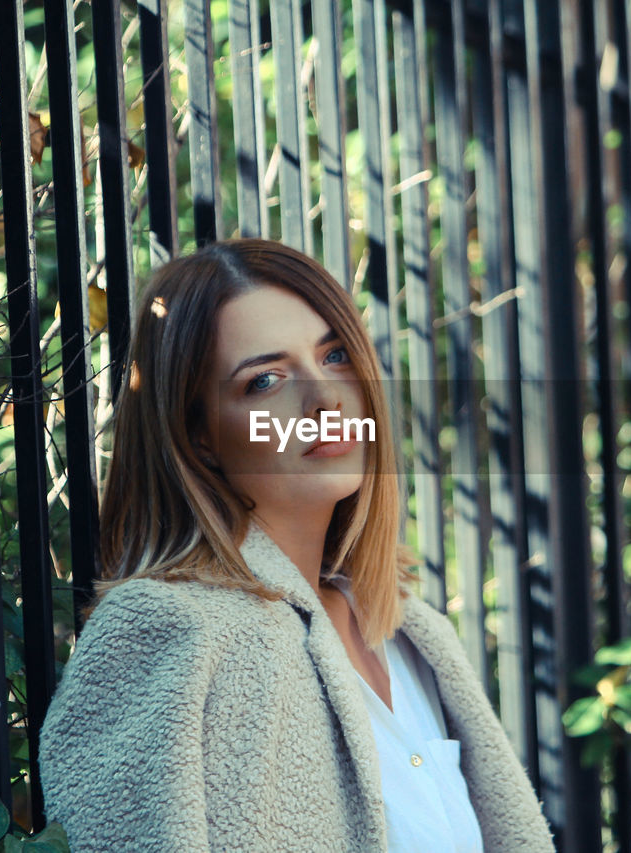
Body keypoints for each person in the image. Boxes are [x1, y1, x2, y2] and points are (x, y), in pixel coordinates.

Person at [37, 238, 556, 852]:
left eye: (334, 355)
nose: (324, 398)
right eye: (265, 380)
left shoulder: (412, 636)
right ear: (199, 437)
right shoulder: (170, 627)